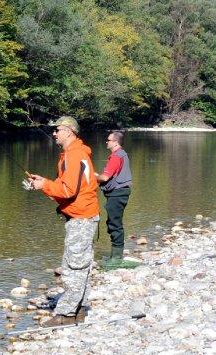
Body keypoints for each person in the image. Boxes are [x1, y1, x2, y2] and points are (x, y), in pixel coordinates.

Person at [27, 116, 99, 327]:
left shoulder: (74, 155)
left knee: (73, 266)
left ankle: (66, 313)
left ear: (69, 131)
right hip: (84, 216)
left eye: (57, 130)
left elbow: (68, 191)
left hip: (81, 218)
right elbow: (62, 187)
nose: (54, 133)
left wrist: (46, 186)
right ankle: (80, 310)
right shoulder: (73, 154)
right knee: (80, 264)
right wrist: (44, 184)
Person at [95, 131, 137, 270]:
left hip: (117, 194)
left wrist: (93, 176)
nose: (106, 142)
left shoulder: (116, 157)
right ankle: (114, 255)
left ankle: (117, 258)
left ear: (116, 142)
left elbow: (105, 178)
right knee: (113, 222)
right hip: (119, 193)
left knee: (115, 224)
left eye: (109, 140)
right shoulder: (121, 154)